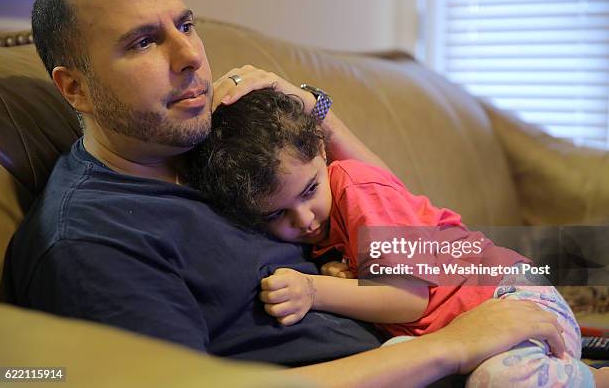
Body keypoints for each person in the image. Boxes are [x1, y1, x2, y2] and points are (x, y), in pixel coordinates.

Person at [3, 0, 594, 387]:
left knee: (574, 255)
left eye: (185, 25)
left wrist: (319, 116)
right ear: (73, 88)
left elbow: (401, 218)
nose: (189, 57)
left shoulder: (204, 145)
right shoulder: (93, 242)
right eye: (141, 42)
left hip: (453, 279)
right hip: (454, 346)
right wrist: (455, 345)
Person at [188, 88, 595, 387]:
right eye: (277, 214)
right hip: (457, 329)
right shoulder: (319, 219)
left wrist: (314, 289)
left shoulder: (356, 187)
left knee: (499, 381)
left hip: (509, 297)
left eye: (310, 190)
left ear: (323, 155)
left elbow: (407, 296)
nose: (305, 219)